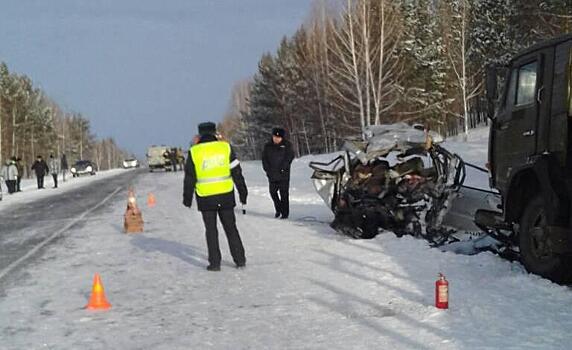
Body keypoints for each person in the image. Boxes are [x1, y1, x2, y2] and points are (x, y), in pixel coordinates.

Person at [183, 121, 248, 271]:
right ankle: (240, 259)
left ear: (199, 135)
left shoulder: (194, 152)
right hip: (225, 195)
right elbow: (236, 172)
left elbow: (189, 177)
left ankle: (215, 263)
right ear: (214, 133)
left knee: (211, 231)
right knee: (231, 228)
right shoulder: (225, 147)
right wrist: (242, 192)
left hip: (206, 197)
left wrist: (187, 199)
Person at [262, 127, 295, 219]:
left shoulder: (287, 145)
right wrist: (267, 169)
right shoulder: (267, 146)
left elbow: (290, 157)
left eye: (278, 137)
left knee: (284, 194)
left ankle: (285, 213)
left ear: (282, 138)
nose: (276, 139)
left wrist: (283, 168)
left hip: (283, 174)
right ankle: (278, 209)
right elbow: (264, 159)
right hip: (272, 174)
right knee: (273, 193)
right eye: (274, 137)